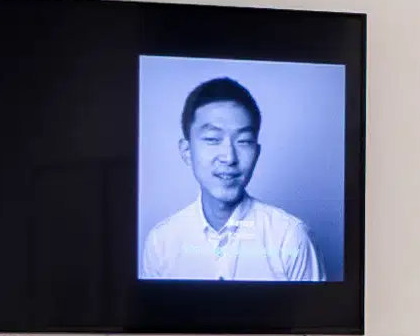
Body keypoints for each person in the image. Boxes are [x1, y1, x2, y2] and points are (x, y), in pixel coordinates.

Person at [141, 74, 329, 282]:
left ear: (256, 153)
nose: (229, 157)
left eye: (244, 141)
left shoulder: (290, 238)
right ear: (186, 151)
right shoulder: (161, 242)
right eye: (213, 139)